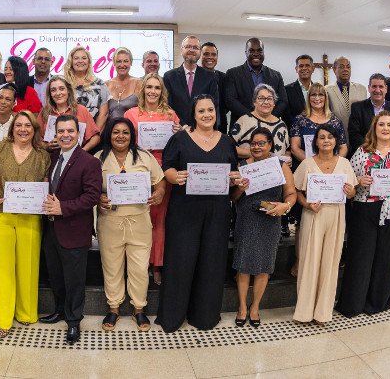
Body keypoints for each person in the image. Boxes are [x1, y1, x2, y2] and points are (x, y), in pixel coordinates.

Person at [157, 95, 243, 332]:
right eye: (201, 111)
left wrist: (236, 179)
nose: (207, 114)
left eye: (211, 110)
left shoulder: (226, 142)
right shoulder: (179, 139)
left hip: (217, 212)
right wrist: (175, 176)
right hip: (184, 211)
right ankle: (173, 317)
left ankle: (204, 316)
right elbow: (167, 167)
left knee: (212, 263)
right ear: (193, 115)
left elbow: (233, 172)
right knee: (180, 263)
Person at [337, 111, 390, 318]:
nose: (385, 128)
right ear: (374, 128)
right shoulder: (362, 152)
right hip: (366, 209)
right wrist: (359, 181)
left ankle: (378, 302)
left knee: (387, 257)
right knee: (360, 257)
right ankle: (353, 304)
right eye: (381, 124)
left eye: (389, 125)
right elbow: (350, 181)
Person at [0, 110, 50, 338]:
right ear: (12, 128)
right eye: (19, 125)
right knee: (1, 267)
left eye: (28, 125)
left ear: (34, 129)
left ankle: (26, 312)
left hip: (30, 216)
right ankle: (2, 316)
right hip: (0, 212)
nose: (23, 129)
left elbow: (45, 184)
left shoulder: (42, 155)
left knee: (28, 266)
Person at [96, 118, 165, 332]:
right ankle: (114, 307)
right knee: (111, 266)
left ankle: (139, 309)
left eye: (125, 132)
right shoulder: (98, 158)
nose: (120, 136)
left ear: (132, 135)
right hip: (109, 221)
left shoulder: (144, 156)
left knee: (139, 268)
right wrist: (99, 197)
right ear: (109, 134)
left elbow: (160, 180)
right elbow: (89, 187)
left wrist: (160, 193)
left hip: (139, 221)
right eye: (116, 132)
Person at [39, 115, 102, 345]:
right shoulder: (53, 156)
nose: (65, 135)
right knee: (56, 276)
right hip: (51, 231)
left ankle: (74, 322)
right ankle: (60, 311)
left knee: (74, 280)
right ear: (55, 134)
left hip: (74, 230)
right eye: (61, 131)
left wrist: (62, 207)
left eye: (70, 131)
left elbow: (92, 197)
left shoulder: (90, 162)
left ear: (79, 133)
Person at [292, 123, 358, 325]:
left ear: (336, 140)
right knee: (309, 262)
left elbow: (353, 192)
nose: (326, 140)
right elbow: (296, 192)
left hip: (336, 216)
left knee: (330, 263)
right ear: (316, 142)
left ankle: (322, 312)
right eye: (322, 137)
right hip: (313, 216)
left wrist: (350, 192)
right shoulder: (307, 163)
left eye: (330, 137)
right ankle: (304, 312)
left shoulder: (345, 163)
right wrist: (307, 205)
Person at [232, 128, 296, 327]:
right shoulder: (242, 166)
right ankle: (242, 306)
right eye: (253, 143)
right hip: (247, 219)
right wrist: (239, 189)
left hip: (270, 219)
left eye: (261, 143)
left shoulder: (280, 165)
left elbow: (291, 193)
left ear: (270, 145)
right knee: (243, 266)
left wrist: (286, 206)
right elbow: (232, 198)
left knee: (264, 268)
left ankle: (255, 307)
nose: (256, 147)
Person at [123, 72, 182, 285]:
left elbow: (179, 145)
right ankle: (139, 264)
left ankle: (157, 265)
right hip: (137, 169)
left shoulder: (170, 115)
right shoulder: (130, 114)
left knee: (159, 221)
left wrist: (180, 132)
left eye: (157, 88)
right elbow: (124, 142)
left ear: (162, 91)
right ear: (143, 90)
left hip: (163, 171)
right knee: (139, 219)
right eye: (149, 87)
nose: (153, 92)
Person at [289, 83, 348, 273]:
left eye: (320, 95)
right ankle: (301, 260)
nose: (317, 98)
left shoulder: (335, 121)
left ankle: (328, 260)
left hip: (332, 173)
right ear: (309, 98)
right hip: (307, 173)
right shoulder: (300, 119)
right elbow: (295, 147)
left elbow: (344, 146)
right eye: (313, 95)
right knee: (303, 219)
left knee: (329, 214)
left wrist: (332, 162)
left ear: (325, 98)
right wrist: (313, 164)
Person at [224, 38, 288, 127]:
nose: (256, 53)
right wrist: (253, 118)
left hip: (270, 127)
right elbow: (230, 100)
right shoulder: (233, 73)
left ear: (263, 52)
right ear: (246, 53)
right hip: (242, 127)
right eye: (251, 50)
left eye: (259, 50)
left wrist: (268, 117)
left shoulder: (276, 75)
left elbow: (283, 101)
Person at [163, 36, 218, 127]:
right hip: (177, 129)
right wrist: (184, 126)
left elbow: (214, 106)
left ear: (200, 52)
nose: (191, 50)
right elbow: (168, 107)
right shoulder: (169, 76)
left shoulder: (210, 77)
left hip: (203, 130)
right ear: (181, 50)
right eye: (188, 46)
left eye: (195, 47)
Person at [348, 74, 390, 156]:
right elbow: (354, 135)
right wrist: (372, 151)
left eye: (381, 87)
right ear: (369, 88)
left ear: (386, 89)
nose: (377, 90)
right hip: (364, 155)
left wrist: (388, 152)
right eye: (374, 86)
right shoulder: (357, 108)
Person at [37, 75, 100, 153]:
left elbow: (95, 137)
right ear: (50, 94)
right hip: (51, 159)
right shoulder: (44, 112)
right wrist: (46, 147)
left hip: (76, 159)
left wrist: (82, 151)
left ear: (68, 90)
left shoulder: (81, 110)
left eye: (62, 89)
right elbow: (36, 140)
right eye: (53, 90)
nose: (58, 93)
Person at [230, 83, 291, 158]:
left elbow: (287, 149)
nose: (266, 102)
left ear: (274, 103)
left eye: (269, 99)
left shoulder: (281, 125)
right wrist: (253, 154)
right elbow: (229, 147)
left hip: (277, 168)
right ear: (254, 102)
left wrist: (288, 158)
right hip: (251, 167)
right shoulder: (244, 120)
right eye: (261, 98)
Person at [63, 46, 110, 131]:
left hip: (93, 134)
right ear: (71, 62)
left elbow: (104, 114)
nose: (80, 61)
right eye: (76, 58)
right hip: (67, 134)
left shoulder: (99, 84)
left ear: (89, 62)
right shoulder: (64, 84)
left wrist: (94, 136)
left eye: (84, 58)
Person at [325, 57, 368, 140]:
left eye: (348, 67)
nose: (345, 69)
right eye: (341, 67)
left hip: (359, 139)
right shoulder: (326, 90)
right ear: (334, 70)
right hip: (336, 138)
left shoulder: (361, 89)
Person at [106, 47, 141, 122]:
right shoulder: (106, 85)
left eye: (126, 61)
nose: (122, 65)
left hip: (132, 131)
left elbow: (147, 110)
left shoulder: (139, 83)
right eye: (119, 61)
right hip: (110, 132)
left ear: (131, 62)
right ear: (114, 63)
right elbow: (103, 114)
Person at [200, 42, 228, 133]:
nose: (210, 57)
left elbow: (226, 103)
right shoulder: (194, 77)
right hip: (198, 126)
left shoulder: (224, 77)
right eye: (206, 54)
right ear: (200, 56)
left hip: (220, 127)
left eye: (213, 54)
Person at [285, 55, 316, 129]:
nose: (304, 68)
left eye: (307, 65)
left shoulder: (319, 90)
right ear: (296, 69)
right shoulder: (287, 90)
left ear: (313, 68)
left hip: (317, 133)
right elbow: (286, 116)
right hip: (296, 134)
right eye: (301, 66)